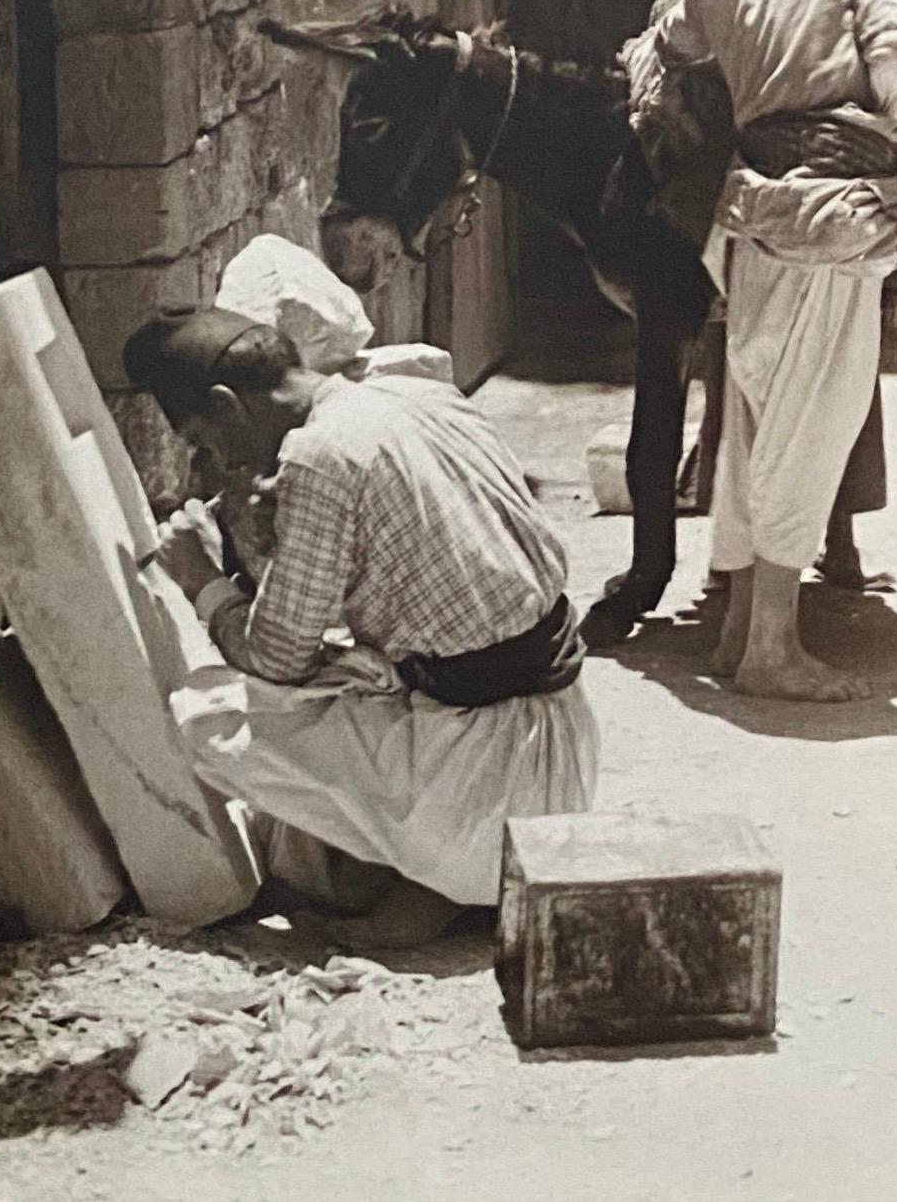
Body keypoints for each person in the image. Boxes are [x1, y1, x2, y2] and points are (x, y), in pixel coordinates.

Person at [126, 308, 599, 947]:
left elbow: (277, 657)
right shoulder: (415, 393)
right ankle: (440, 870)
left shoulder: (318, 458)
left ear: (226, 404)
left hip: (491, 773)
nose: (214, 459)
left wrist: (201, 579)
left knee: (207, 715)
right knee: (344, 690)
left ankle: (447, 875)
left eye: (202, 439)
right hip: (563, 749)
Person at [653, 0, 897, 701]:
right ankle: (774, 647)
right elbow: (893, 58)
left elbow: (672, 42)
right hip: (831, 215)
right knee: (815, 420)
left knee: (754, 417)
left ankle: (736, 636)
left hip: (749, 218)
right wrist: (890, 117)